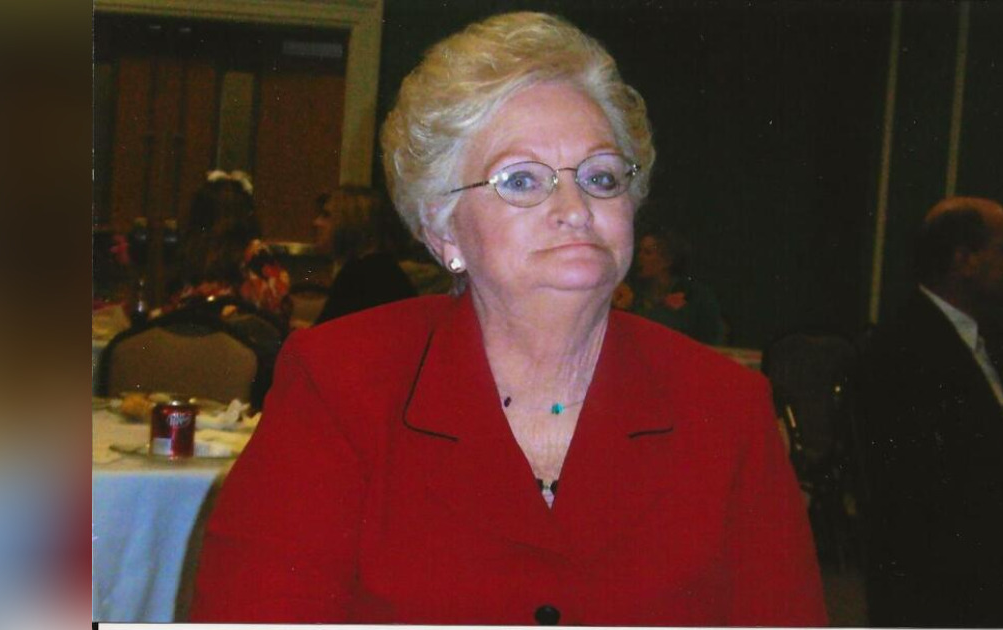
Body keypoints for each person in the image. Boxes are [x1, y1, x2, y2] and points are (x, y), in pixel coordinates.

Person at [191, 12, 825, 626]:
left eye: (602, 177)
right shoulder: (339, 386)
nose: (576, 207)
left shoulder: (728, 409)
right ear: (443, 228)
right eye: (522, 181)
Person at [857, 196, 1003, 627]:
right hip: (958, 586)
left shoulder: (1001, 345)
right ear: (963, 260)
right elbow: (923, 503)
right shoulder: (899, 353)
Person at [170, 170, 291, 318]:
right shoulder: (254, 253)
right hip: (242, 331)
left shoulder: (190, 252)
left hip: (191, 329)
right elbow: (278, 304)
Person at [312, 184, 417, 324]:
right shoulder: (381, 269)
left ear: (350, 223)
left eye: (326, 215)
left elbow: (328, 333)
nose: (316, 222)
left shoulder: (360, 276)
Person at [613, 224, 726, 344]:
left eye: (647, 253)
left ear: (667, 260)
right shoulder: (631, 293)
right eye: (639, 251)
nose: (639, 257)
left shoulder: (694, 296)